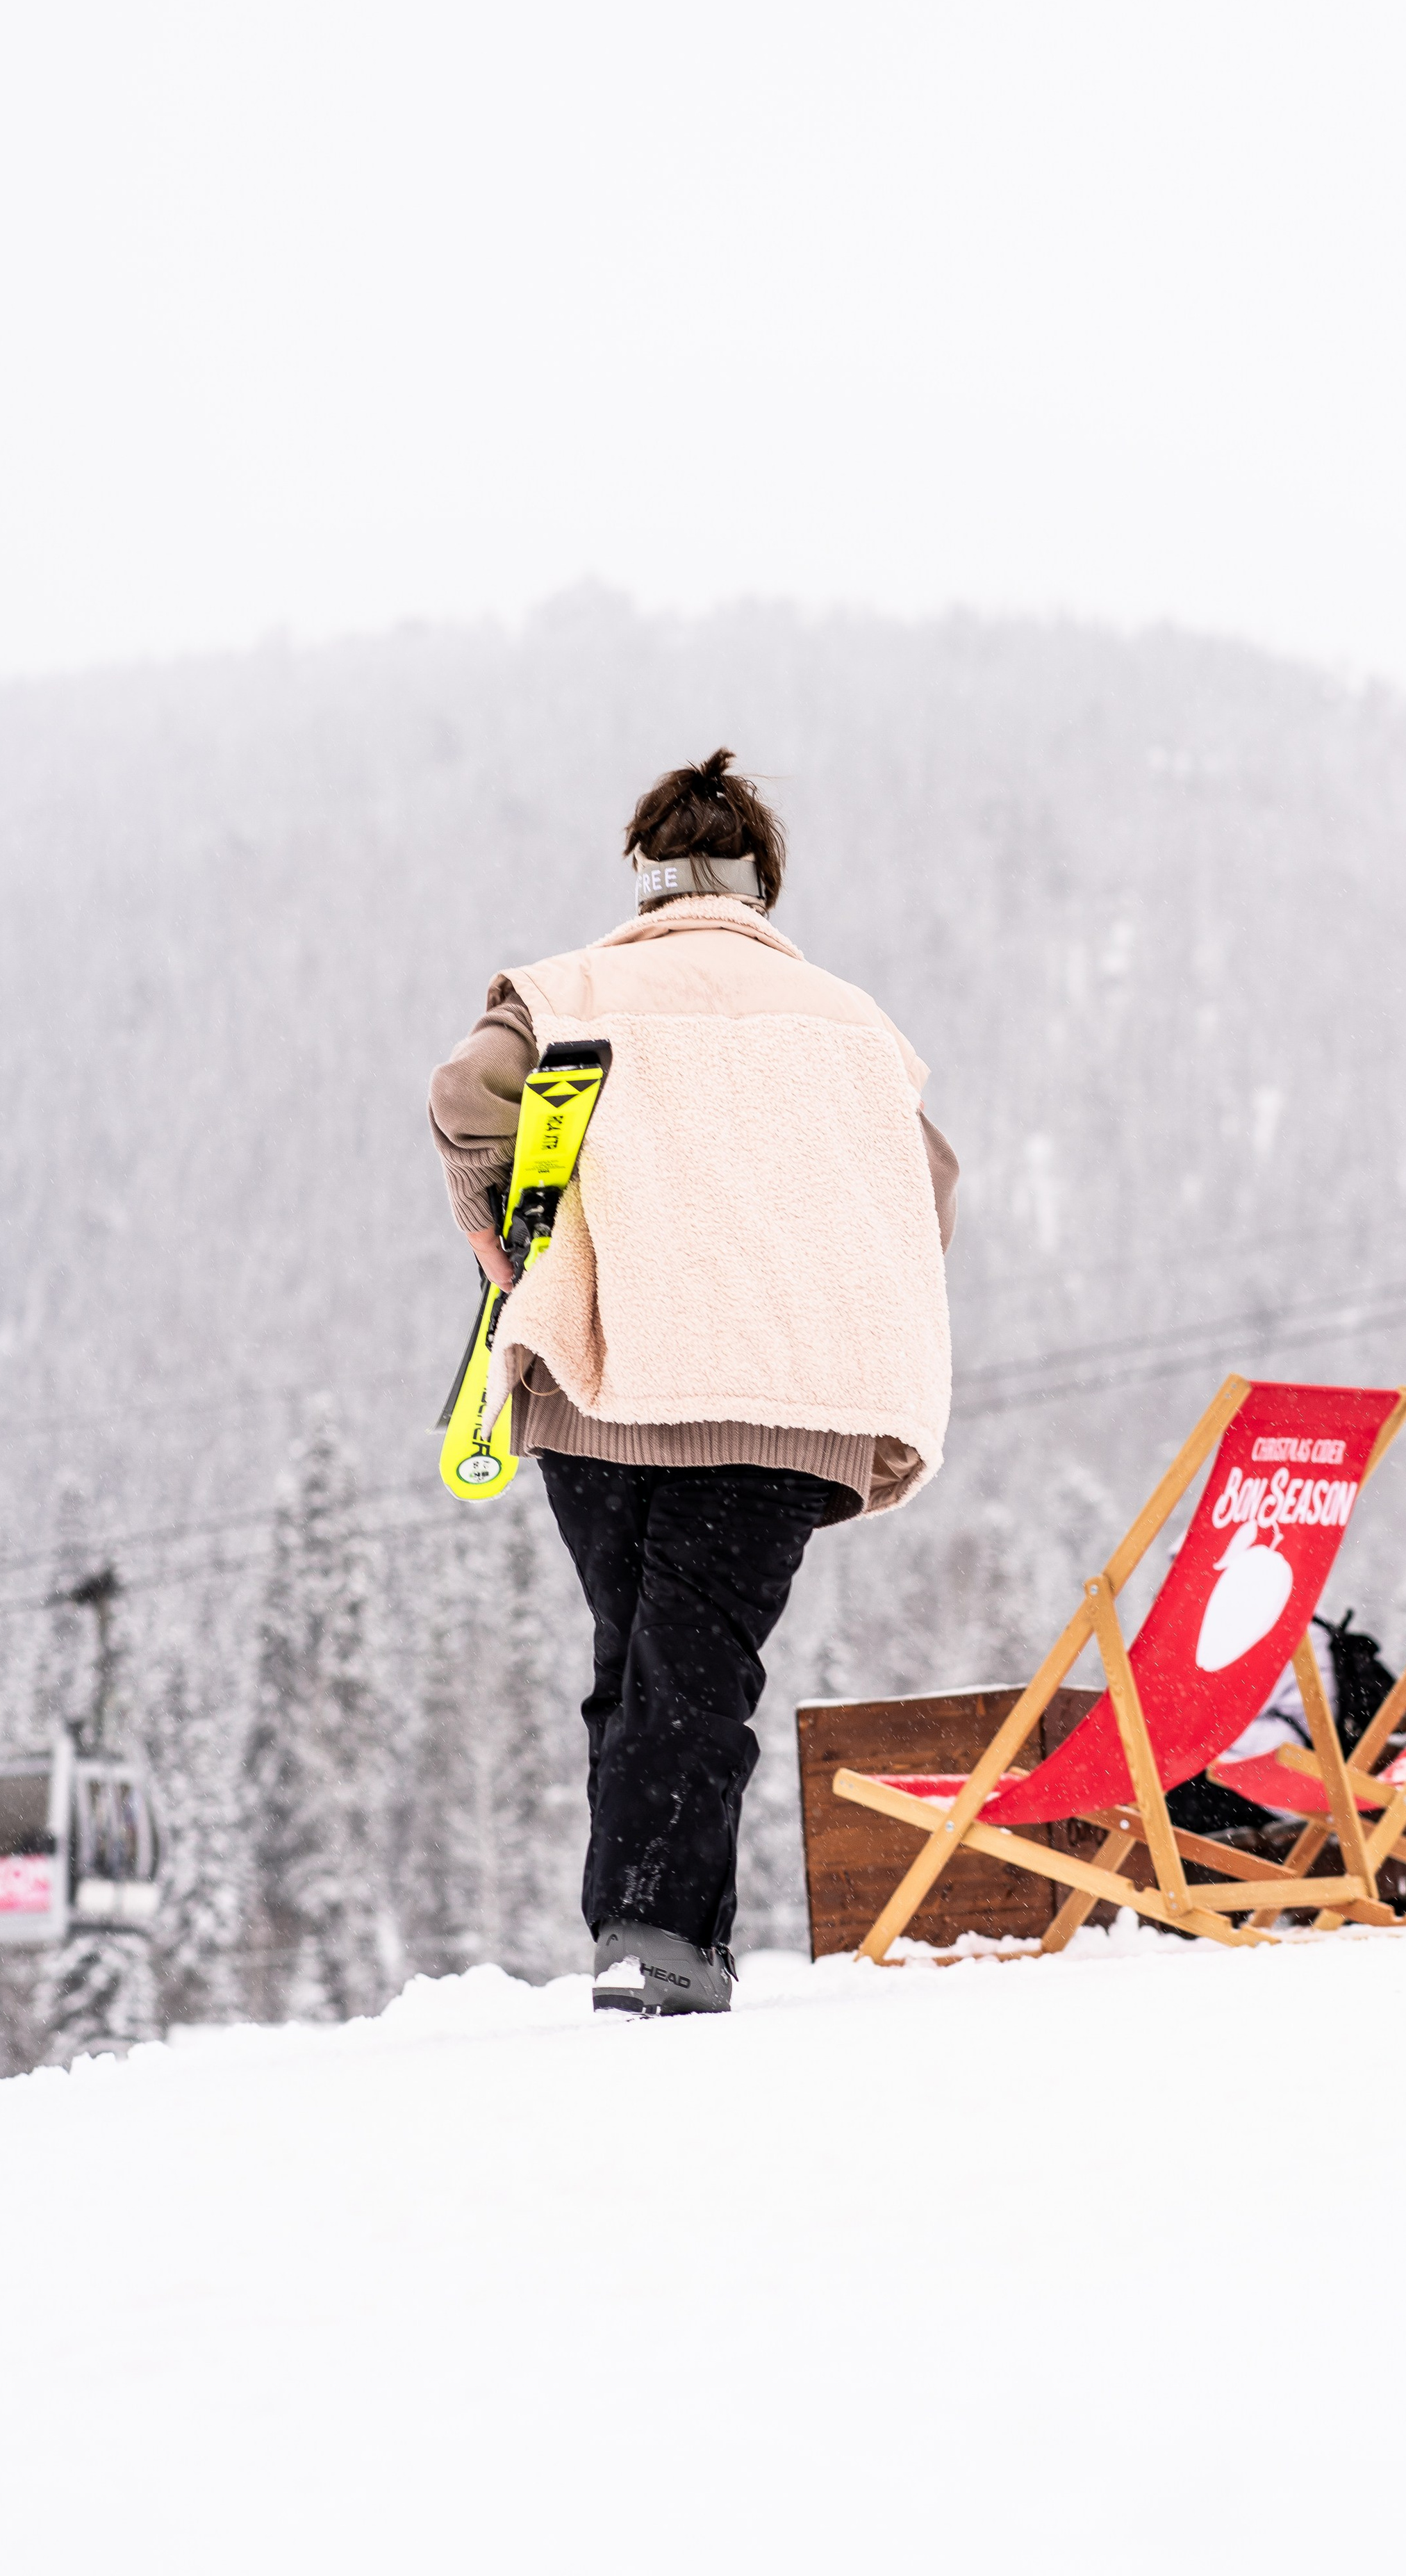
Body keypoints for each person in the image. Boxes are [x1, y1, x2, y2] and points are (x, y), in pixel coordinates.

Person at [429, 751, 957, 2015]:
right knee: (694, 1669)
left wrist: (495, 1225)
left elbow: (466, 1096)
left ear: (646, 877)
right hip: (780, 1400)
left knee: (636, 1670)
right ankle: (661, 1944)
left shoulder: (567, 992)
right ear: (761, 882)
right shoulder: (855, 1025)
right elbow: (929, 1193)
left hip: (603, 1378)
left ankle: (651, 1940)